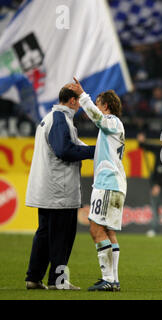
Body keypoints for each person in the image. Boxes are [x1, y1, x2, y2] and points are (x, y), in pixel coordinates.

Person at [25, 85, 95, 290]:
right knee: (61, 237)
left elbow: (67, 146)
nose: (80, 106)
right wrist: (95, 151)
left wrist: (92, 150)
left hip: (49, 189)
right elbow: (64, 150)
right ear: (72, 101)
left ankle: (34, 278)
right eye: (79, 102)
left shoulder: (51, 118)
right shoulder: (60, 119)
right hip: (59, 191)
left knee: (45, 235)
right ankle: (58, 281)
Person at [67, 78, 126, 292]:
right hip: (112, 183)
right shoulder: (110, 128)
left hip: (108, 184)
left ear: (106, 106)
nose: (96, 108)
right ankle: (114, 279)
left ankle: (108, 278)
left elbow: (98, 118)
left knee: (95, 228)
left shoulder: (111, 121)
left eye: (99, 103)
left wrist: (83, 95)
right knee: (108, 231)